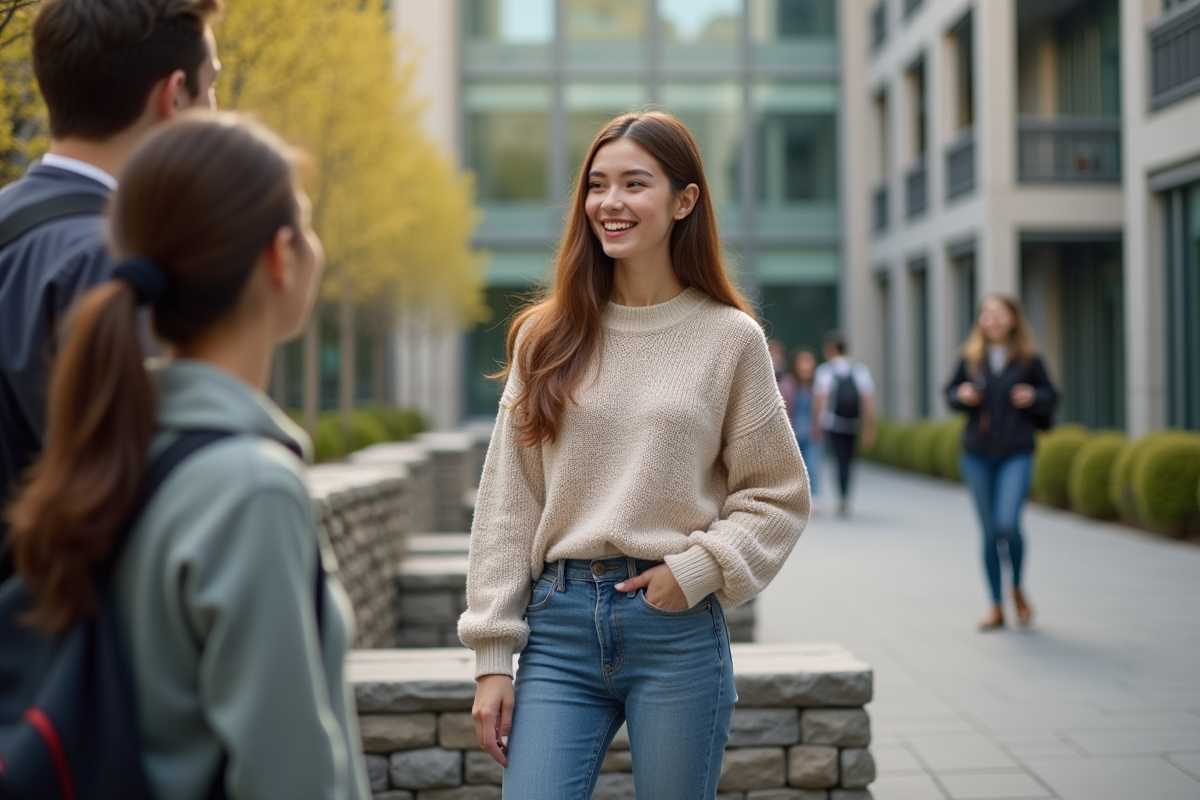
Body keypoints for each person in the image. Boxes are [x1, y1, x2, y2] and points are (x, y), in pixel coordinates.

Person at [5, 113, 369, 799]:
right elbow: (289, 777)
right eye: (308, 225)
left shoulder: (110, 443)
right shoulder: (248, 489)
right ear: (280, 258)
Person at [459, 111, 809, 800]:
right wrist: (492, 657)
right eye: (596, 185)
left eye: (633, 184)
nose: (609, 203)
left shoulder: (729, 339)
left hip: (675, 627)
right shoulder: (546, 337)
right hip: (557, 628)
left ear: (685, 200)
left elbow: (777, 494)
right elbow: (508, 503)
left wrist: (699, 568)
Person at [0, 0, 222, 581]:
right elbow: (144, 502)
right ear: (173, 95)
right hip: (61, 640)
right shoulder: (118, 265)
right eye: (213, 87)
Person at [945, 294, 1057, 631]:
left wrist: (1034, 397)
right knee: (990, 532)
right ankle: (996, 605)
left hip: (1016, 452)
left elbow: (1052, 396)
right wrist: (961, 396)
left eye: (999, 313)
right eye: (986, 314)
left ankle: (1017, 587)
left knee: (1008, 523)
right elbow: (949, 394)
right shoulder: (970, 359)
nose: (991, 319)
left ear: (1013, 319)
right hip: (977, 454)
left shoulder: (1028, 360)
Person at [811, 331, 876, 517]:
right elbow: (867, 400)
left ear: (831, 350)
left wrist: (816, 424)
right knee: (849, 460)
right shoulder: (859, 370)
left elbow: (820, 400)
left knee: (839, 459)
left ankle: (842, 497)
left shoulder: (825, 370)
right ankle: (846, 497)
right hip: (854, 423)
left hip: (833, 423)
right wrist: (869, 427)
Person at [779, 348, 822, 512]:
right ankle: (794, 500)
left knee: (812, 465)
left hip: (811, 434)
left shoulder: (818, 385)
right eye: (802, 362)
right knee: (793, 468)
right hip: (794, 433)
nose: (806, 366)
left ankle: (814, 497)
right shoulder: (787, 385)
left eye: (809, 362)